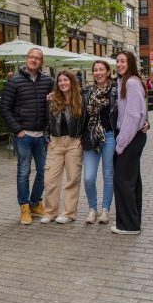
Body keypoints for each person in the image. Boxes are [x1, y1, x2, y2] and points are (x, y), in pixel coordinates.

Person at [0, 48, 54, 224]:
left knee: (43, 172)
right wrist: (17, 130)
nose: (34, 60)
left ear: (41, 62)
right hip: (24, 135)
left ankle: (35, 203)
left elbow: (57, 101)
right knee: (23, 172)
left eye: (38, 58)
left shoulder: (48, 81)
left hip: (41, 136)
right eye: (31, 57)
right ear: (26, 58)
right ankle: (24, 207)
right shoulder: (14, 81)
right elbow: (4, 109)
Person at [40, 70, 86, 224]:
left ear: (71, 81)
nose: (62, 83)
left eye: (65, 80)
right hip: (56, 143)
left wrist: (82, 139)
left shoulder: (81, 99)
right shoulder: (52, 100)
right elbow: (46, 122)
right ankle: (50, 213)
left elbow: (87, 121)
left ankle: (68, 213)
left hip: (74, 143)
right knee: (50, 179)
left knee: (72, 179)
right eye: (60, 81)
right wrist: (47, 139)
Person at [111, 51, 148, 235]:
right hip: (133, 136)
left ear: (130, 62)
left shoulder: (131, 82)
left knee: (122, 180)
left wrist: (121, 143)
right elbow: (140, 111)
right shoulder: (125, 81)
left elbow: (134, 116)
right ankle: (133, 221)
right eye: (117, 61)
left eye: (123, 61)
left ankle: (129, 225)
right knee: (132, 180)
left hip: (130, 137)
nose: (119, 64)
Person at [81, 60, 118, 224]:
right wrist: (53, 96)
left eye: (101, 69)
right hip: (91, 137)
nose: (98, 72)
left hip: (109, 137)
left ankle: (105, 210)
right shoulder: (86, 91)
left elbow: (128, 110)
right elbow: (72, 102)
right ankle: (92, 209)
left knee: (108, 175)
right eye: (95, 70)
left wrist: (143, 121)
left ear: (108, 72)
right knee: (88, 177)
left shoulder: (116, 91)